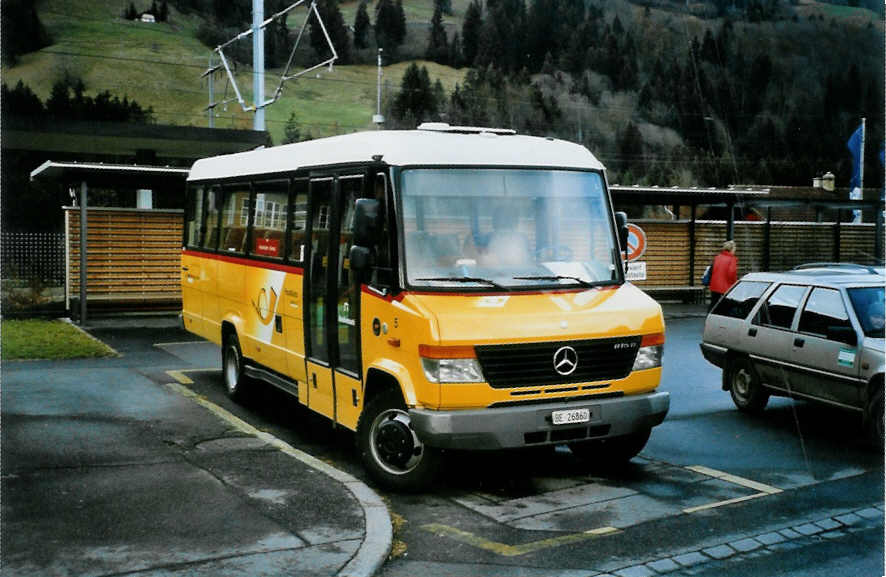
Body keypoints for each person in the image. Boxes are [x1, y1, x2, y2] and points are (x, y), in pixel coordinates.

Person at [709, 240, 738, 310]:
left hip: (714, 285)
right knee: (725, 307)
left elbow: (711, 270)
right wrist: (734, 284)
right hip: (725, 286)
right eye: (735, 248)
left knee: (714, 304)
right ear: (731, 249)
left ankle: (710, 318)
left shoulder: (717, 257)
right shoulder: (732, 259)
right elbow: (731, 273)